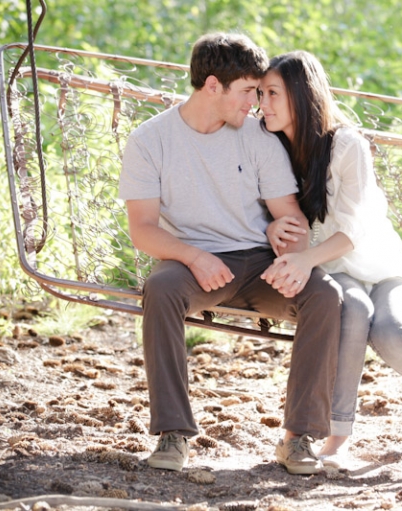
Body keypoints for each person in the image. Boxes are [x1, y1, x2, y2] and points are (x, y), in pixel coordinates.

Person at [118, 34, 342, 476]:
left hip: (259, 263)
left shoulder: (257, 137)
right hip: (192, 263)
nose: (255, 104)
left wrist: (294, 261)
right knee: (159, 289)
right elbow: (142, 230)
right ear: (213, 86)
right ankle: (173, 433)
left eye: (260, 93)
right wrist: (193, 257)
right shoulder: (150, 140)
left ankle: (299, 439)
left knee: (326, 295)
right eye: (248, 92)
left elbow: (289, 217)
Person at [259, 50, 402, 470]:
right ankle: (338, 436)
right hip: (335, 273)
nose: (262, 104)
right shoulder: (270, 146)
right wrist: (272, 229)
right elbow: (268, 209)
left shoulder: (346, 145)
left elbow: (355, 227)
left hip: (385, 270)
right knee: (352, 312)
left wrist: (306, 260)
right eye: (259, 93)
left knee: (391, 330)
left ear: (300, 95)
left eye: (272, 93)